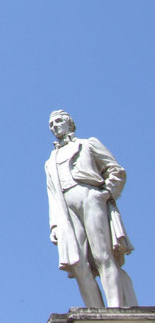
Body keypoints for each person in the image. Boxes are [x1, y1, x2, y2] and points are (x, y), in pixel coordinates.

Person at [45, 110, 137, 308]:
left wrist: (105, 193)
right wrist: (54, 226)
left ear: (70, 123)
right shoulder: (50, 161)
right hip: (65, 210)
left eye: (59, 121)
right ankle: (95, 310)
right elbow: (52, 194)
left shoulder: (87, 144)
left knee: (102, 255)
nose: (54, 126)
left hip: (90, 198)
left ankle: (114, 309)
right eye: (51, 124)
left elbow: (116, 170)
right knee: (76, 263)